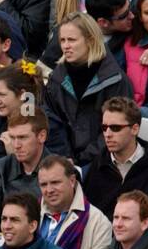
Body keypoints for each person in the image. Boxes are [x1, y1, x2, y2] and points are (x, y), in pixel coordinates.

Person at [43, 13, 132, 167]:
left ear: (90, 40)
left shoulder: (114, 79)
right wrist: (65, 159)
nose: (65, 46)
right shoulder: (56, 79)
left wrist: (81, 161)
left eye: (72, 40)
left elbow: (118, 129)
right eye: (62, 40)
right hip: (64, 161)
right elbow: (51, 123)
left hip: (105, 162)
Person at [81, 97, 148, 230]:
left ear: (135, 129)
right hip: (102, 245)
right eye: (104, 127)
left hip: (147, 246)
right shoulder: (97, 165)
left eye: (115, 128)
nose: (107, 134)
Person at [36, 155, 111, 249]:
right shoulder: (28, 213)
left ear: (72, 181)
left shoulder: (98, 222)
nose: (49, 190)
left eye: (55, 182)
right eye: (43, 185)